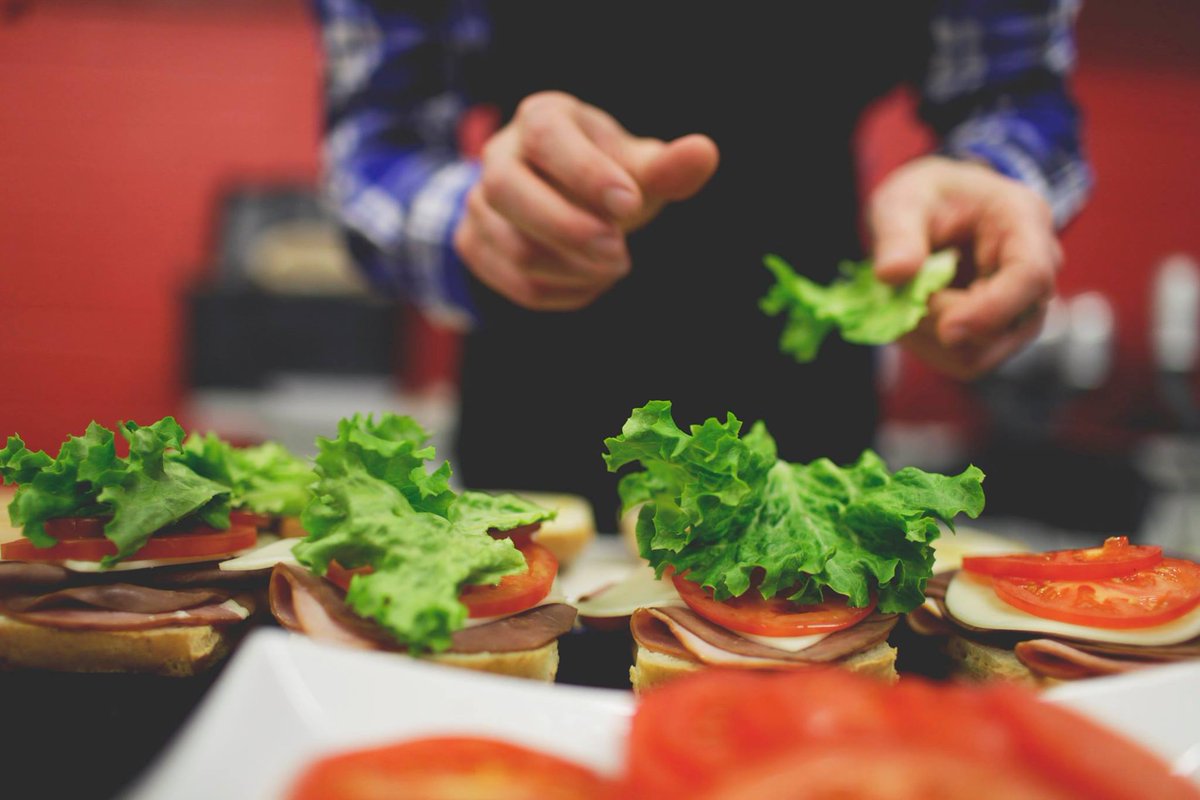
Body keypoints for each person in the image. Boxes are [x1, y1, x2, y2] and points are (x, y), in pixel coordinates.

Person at [314, 2, 1091, 525]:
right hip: (536, 397)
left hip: (811, 417)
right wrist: (476, 226)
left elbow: (1014, 91)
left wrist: (991, 181)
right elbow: (378, 144)